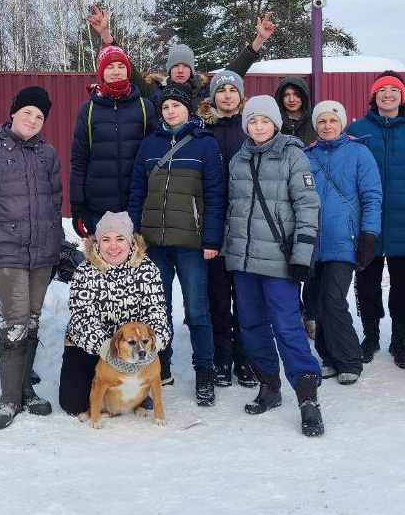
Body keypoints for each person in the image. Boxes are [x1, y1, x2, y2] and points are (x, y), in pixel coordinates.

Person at [0, 86, 65, 430]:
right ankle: (8, 398)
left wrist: (58, 246)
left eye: (39, 116)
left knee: (33, 320)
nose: (33, 120)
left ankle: (24, 390)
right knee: (15, 321)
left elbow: (54, 204)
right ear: (13, 113)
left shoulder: (48, 154)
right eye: (27, 113)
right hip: (6, 253)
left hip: (42, 255)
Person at [224, 95, 324, 436]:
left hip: (280, 261)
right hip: (244, 261)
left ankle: (308, 398)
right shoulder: (238, 160)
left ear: (276, 123)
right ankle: (269, 385)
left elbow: (308, 207)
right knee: (251, 326)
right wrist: (229, 252)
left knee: (287, 327)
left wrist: (302, 256)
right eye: (252, 122)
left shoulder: (292, 155)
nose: (258, 127)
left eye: (264, 121)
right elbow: (232, 211)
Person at [127, 83, 225, 407]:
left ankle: (204, 372)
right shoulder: (149, 144)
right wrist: (132, 233)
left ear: (189, 109)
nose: (171, 111)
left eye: (177, 106)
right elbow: (137, 192)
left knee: (197, 311)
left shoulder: (205, 144)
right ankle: (163, 367)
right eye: (166, 107)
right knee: (159, 311)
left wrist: (211, 239)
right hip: (155, 244)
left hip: (192, 244)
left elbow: (215, 195)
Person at [345, 71, 405, 370]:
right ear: (373, 96)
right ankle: (371, 336)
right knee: (367, 282)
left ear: (403, 96)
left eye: (394, 89)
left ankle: (399, 339)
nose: (388, 94)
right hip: (368, 221)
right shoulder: (357, 129)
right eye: (382, 90)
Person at [58, 212, 172, 416]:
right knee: (73, 404)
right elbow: (82, 317)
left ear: (130, 242)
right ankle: (113, 387)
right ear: (98, 242)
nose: (113, 246)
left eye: (120, 239)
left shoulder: (147, 269)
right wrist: (106, 348)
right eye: (106, 239)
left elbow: (157, 311)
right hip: (93, 347)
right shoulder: (85, 271)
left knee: (155, 346)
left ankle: (136, 390)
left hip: (134, 343)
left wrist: (154, 343)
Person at [304, 101, 383, 386]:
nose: (327, 126)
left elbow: (372, 197)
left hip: (344, 238)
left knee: (333, 299)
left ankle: (350, 359)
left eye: (332, 121)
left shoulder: (359, 153)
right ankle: (327, 356)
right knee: (315, 300)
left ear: (342, 123)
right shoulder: (306, 156)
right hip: (311, 242)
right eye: (322, 121)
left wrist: (368, 233)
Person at [85, 5, 277, 113]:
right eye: (175, 65)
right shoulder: (154, 91)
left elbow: (233, 73)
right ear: (168, 69)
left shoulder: (204, 92)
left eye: (185, 66)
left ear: (191, 70)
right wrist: (105, 34)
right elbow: (128, 66)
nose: (180, 69)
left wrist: (259, 39)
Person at [196, 70, 257, 389]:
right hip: (214, 226)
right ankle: (222, 359)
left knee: (245, 298)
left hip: (247, 227)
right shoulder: (201, 129)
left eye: (233, 90)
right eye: (222, 90)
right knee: (218, 298)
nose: (228, 95)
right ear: (213, 96)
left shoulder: (253, 128)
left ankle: (245, 359)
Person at [69, 43, 154, 238]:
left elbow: (154, 158)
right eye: (110, 66)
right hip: (99, 209)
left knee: (137, 266)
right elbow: (79, 162)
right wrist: (77, 207)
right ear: (101, 72)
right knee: (102, 266)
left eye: (121, 66)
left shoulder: (144, 107)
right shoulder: (88, 110)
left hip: (137, 206)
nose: (116, 72)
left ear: (128, 71)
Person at [274, 76, 316, 146]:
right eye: (286, 95)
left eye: (296, 94)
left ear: (303, 96)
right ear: (281, 98)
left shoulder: (315, 121)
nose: (291, 100)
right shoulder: (274, 123)